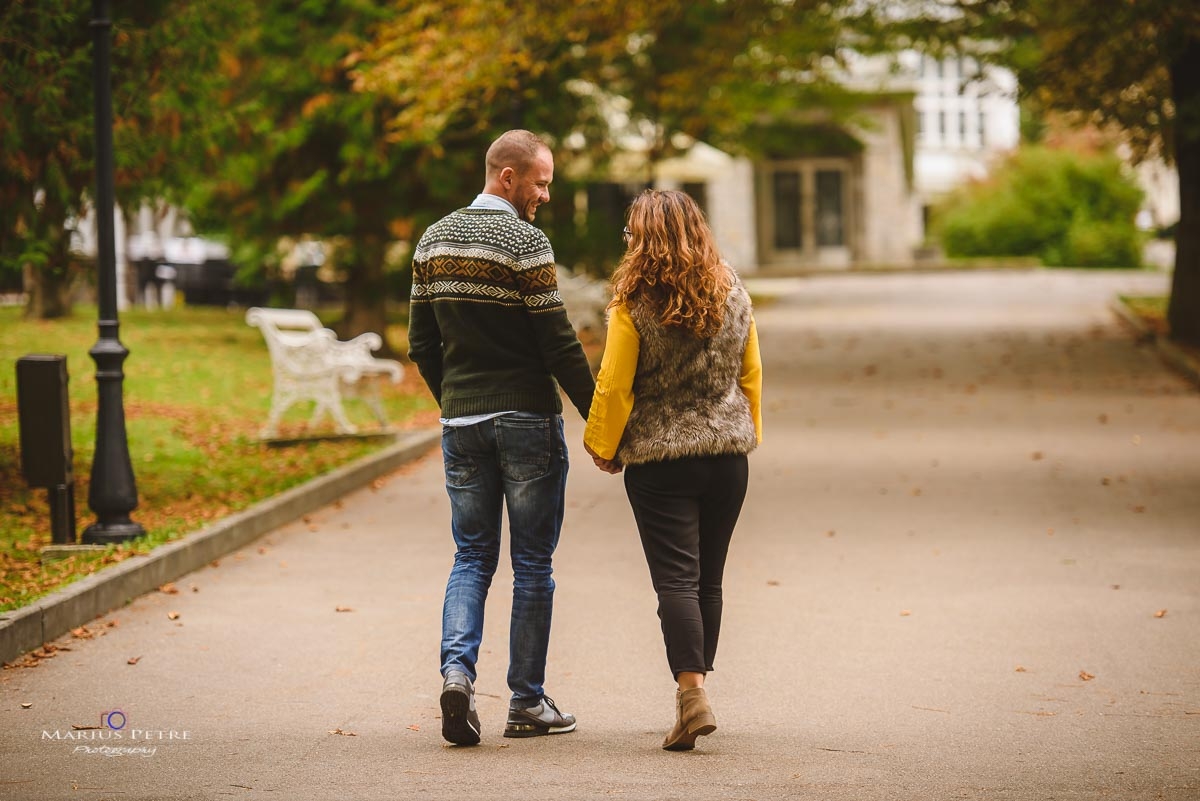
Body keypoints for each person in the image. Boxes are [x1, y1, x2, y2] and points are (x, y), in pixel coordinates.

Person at [408, 129, 596, 746]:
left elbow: (420, 345)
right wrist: (601, 417)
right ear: (507, 176)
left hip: (462, 422)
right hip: (527, 422)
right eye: (540, 182)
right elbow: (557, 342)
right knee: (533, 563)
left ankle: (457, 676)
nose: (545, 195)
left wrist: (458, 402)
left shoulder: (432, 240)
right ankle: (526, 702)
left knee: (471, 556)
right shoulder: (525, 242)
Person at [583, 189, 762, 751]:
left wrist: (602, 444)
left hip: (662, 459)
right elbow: (750, 372)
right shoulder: (733, 290)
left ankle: (692, 693)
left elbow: (614, 382)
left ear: (643, 238)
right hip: (727, 457)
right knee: (709, 578)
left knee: (676, 580)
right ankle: (694, 694)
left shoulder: (632, 303)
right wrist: (743, 433)